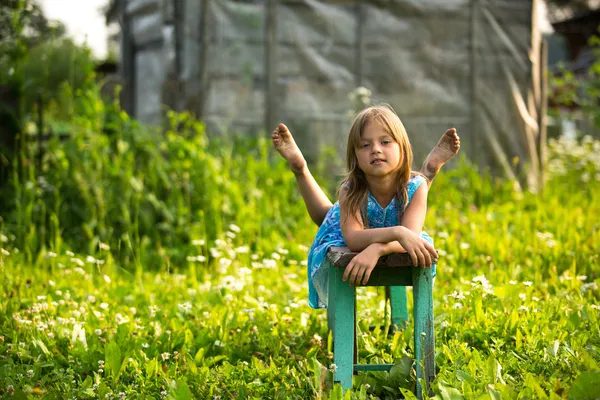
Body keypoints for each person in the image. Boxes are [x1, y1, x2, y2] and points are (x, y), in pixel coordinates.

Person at [272, 105, 460, 309]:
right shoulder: (350, 190)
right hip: (350, 225)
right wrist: (398, 232)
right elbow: (353, 239)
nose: (376, 149)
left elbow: (411, 238)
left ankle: (429, 170)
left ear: (403, 148)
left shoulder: (416, 187)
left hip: (397, 215)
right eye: (365, 145)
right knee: (326, 217)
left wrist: (378, 249)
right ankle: (300, 169)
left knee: (414, 189)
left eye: (385, 142)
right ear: (356, 158)